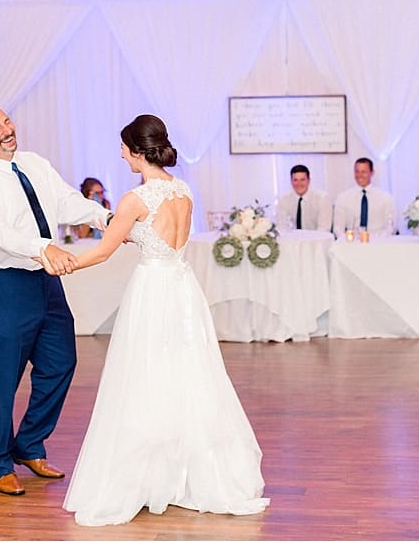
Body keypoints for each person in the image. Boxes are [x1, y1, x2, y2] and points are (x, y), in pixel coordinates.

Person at [50, 114, 269, 526]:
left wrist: (63, 264)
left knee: (144, 376)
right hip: (182, 288)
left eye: (123, 147)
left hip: (152, 290)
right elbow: (157, 236)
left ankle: (147, 477)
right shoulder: (183, 190)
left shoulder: (136, 199)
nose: (120, 154)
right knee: (188, 375)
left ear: (137, 151)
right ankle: (185, 475)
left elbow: (103, 251)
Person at [0, 105, 110, 497]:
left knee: (61, 362)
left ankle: (29, 445)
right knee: (3, 378)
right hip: (6, 285)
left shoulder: (35, 163)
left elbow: (66, 202)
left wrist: (107, 219)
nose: (7, 130)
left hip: (46, 280)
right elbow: (0, 235)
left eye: (7, 122)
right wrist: (44, 248)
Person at [333, 157, 396, 236]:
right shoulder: (343, 198)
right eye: (357, 171)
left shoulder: (385, 197)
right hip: (352, 240)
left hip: (379, 240)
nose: (360, 175)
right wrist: (346, 240)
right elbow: (337, 228)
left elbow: (391, 226)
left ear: (372, 173)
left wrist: (380, 239)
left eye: (364, 172)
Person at [274, 163, 333, 233]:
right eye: (295, 180)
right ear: (291, 181)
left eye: (302, 180)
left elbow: (324, 229)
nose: (299, 183)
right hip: (292, 238)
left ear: (309, 181)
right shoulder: (284, 200)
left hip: (316, 238)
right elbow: (282, 227)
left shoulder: (322, 198)